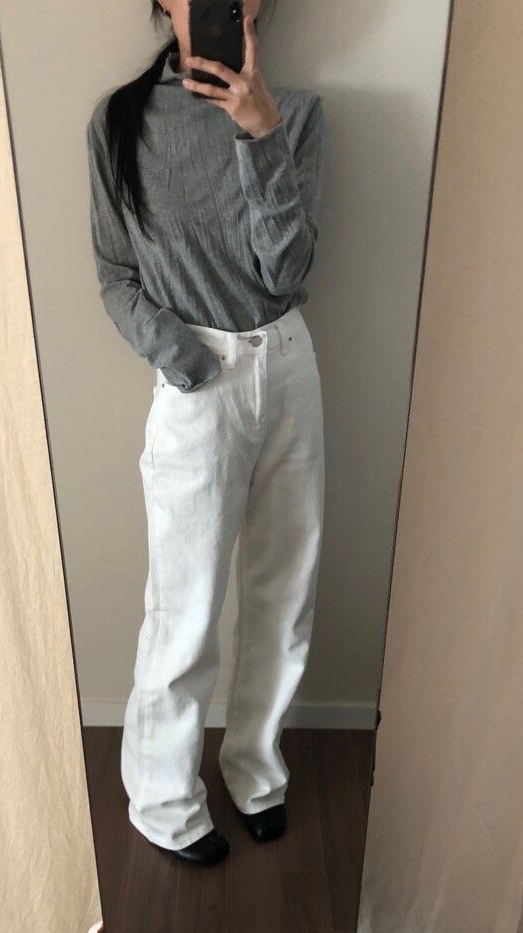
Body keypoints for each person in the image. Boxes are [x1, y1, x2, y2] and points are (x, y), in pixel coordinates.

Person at [85, 0, 326, 868]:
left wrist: (260, 136)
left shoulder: (296, 113)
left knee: (283, 593)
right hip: (195, 378)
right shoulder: (120, 123)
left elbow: (288, 272)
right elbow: (116, 273)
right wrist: (181, 359)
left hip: (288, 364)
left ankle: (256, 770)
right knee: (183, 605)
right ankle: (160, 797)